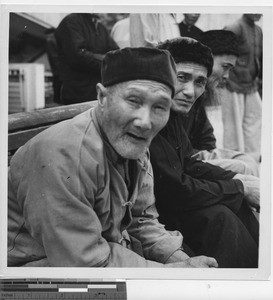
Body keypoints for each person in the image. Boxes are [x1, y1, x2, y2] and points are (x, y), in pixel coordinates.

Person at [8, 47, 218, 268]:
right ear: (102, 97)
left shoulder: (132, 139)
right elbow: (87, 264)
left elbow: (142, 220)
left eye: (159, 106)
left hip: (104, 251)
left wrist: (184, 262)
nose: (145, 122)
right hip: (37, 268)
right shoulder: (63, 154)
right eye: (134, 101)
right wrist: (173, 273)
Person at [151, 37, 260, 268]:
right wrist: (238, 188)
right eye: (181, 78)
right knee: (221, 217)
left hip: (172, 202)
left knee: (233, 204)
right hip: (155, 216)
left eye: (200, 82)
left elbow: (189, 164)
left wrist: (237, 181)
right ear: (160, 74)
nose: (190, 91)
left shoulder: (174, 115)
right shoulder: (150, 118)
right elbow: (174, 188)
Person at [184, 30, 259, 176]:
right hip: (184, 166)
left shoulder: (199, 98)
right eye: (225, 67)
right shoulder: (184, 94)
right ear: (207, 59)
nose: (226, 76)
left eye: (230, 69)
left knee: (246, 160)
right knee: (243, 169)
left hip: (194, 158)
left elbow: (207, 142)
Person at [222, 14, 263, 163]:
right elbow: (222, 53)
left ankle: (251, 157)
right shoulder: (235, 27)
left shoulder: (258, 30)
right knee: (233, 124)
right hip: (233, 83)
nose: (258, 12)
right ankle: (232, 159)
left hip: (251, 84)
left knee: (255, 116)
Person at [54, 13, 119, 105]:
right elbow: (78, 57)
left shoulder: (101, 27)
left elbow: (117, 55)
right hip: (77, 94)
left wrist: (102, 58)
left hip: (97, 94)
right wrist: (107, 61)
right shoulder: (71, 21)